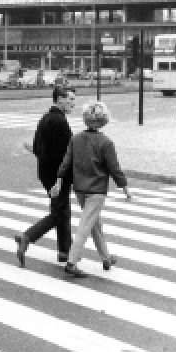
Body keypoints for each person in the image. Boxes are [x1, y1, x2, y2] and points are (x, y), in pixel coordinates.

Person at [52, 101, 132, 279]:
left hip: (80, 188)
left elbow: (66, 163)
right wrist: (125, 187)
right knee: (85, 226)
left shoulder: (76, 139)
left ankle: (106, 258)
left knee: (95, 225)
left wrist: (58, 180)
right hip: (96, 191)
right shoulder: (106, 142)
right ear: (104, 121)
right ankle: (71, 262)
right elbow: (114, 168)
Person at [15, 85, 76, 266]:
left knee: (62, 210)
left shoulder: (45, 118)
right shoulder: (59, 121)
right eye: (70, 99)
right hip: (57, 175)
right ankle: (27, 236)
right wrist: (65, 176)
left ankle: (65, 252)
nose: (73, 103)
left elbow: (38, 148)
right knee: (59, 213)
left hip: (46, 173)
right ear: (59, 100)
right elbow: (65, 154)